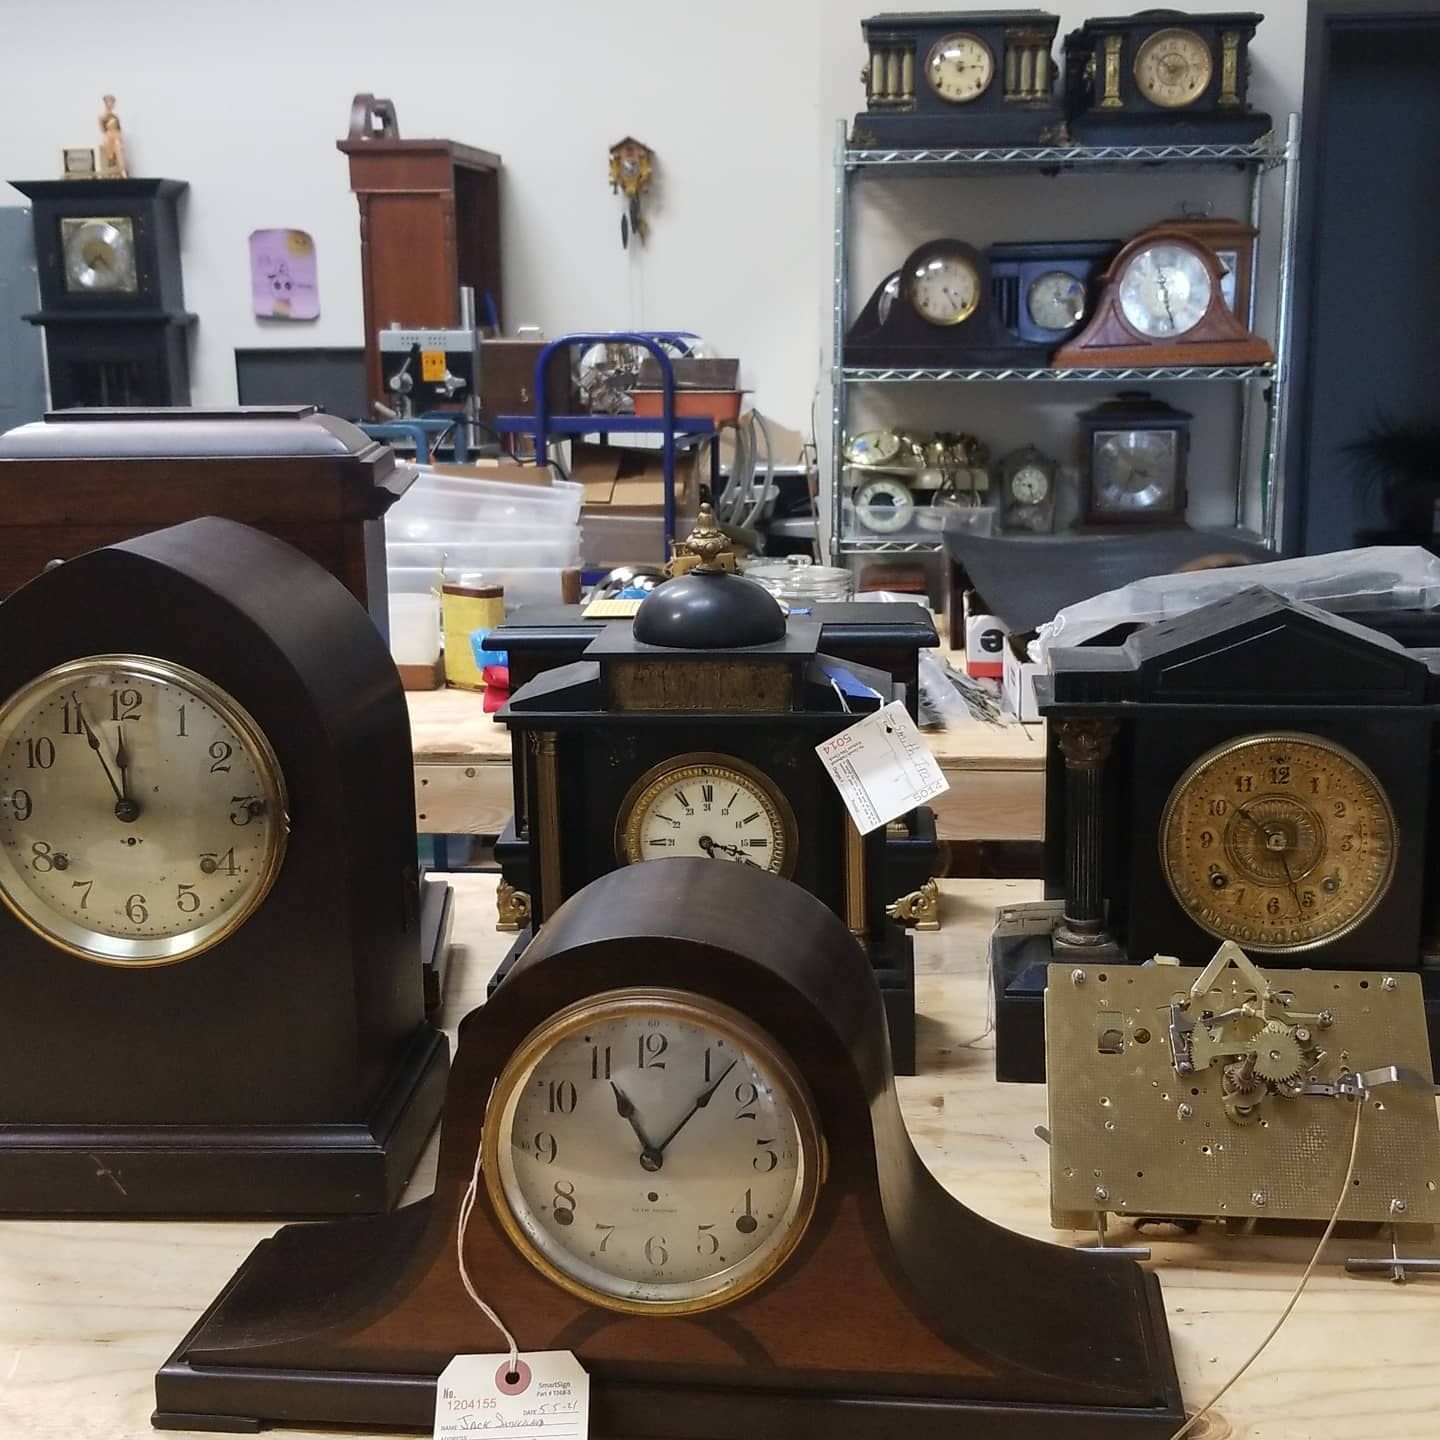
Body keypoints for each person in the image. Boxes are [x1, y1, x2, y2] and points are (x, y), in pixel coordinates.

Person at [98, 96, 127, 178]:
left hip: (116, 137)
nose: (110, 104)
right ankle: (112, 169)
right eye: (108, 102)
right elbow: (103, 130)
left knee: (118, 147)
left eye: (112, 102)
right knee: (111, 148)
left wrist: (118, 136)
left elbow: (119, 129)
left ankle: (122, 170)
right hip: (108, 137)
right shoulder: (102, 116)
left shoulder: (115, 116)